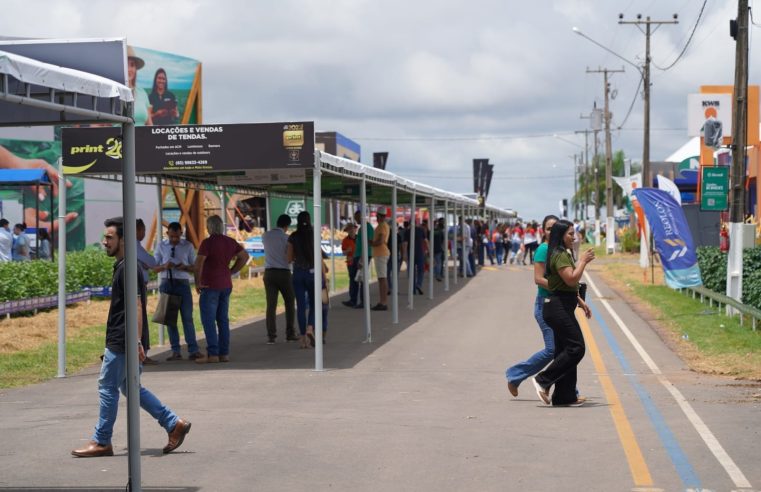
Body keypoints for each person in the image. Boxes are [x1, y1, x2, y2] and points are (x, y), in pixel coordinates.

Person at [71, 217, 190, 458]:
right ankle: (173, 423)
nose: (105, 242)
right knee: (130, 387)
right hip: (126, 338)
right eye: (105, 237)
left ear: (124, 240)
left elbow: (135, 304)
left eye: (109, 237)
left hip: (124, 339)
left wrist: (135, 342)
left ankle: (102, 441)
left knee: (107, 386)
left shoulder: (128, 267)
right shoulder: (126, 265)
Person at [532, 220, 595, 407]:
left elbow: (564, 286)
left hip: (561, 305)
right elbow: (570, 279)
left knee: (565, 350)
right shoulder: (559, 255)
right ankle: (543, 380)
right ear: (561, 236)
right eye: (570, 234)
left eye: (573, 233)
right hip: (557, 307)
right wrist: (583, 261)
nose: (573, 237)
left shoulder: (562, 253)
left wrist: (579, 300)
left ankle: (564, 396)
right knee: (577, 348)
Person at [506, 215, 559, 396]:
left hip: (558, 305)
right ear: (543, 231)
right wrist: (561, 286)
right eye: (549, 228)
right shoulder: (543, 249)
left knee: (565, 349)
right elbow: (538, 279)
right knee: (553, 349)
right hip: (545, 305)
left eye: (555, 227)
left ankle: (568, 391)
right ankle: (515, 375)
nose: (552, 231)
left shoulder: (558, 250)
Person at [193, 215, 248, 363]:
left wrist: (197, 282)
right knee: (223, 320)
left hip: (209, 285)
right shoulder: (230, 241)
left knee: (209, 320)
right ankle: (224, 353)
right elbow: (244, 256)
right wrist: (231, 271)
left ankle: (212, 354)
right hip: (226, 284)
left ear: (209, 227)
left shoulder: (207, 243)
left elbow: (199, 263)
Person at [154, 222, 201, 361]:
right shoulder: (161, 246)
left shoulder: (188, 246)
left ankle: (193, 350)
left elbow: (195, 267)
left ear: (181, 233)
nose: (174, 239)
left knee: (187, 318)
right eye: (172, 236)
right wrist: (164, 266)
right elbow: (154, 267)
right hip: (167, 283)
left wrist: (185, 267)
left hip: (182, 284)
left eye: (177, 236)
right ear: (167, 234)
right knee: (169, 320)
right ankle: (175, 351)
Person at [262, 214, 298, 344]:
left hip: (269, 273)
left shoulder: (265, 236)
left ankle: (271, 336)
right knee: (289, 302)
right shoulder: (287, 238)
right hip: (284, 272)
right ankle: (290, 333)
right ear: (286, 226)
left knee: (271, 306)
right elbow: (290, 256)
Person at [288, 211, 319, 349]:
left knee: (300, 306)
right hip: (312, 273)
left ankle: (303, 339)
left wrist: (295, 257)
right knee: (314, 304)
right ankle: (310, 328)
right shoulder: (314, 235)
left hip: (298, 273)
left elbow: (288, 258)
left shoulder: (293, 237)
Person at [135, 219, 158, 364]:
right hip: (138, 285)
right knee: (140, 319)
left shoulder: (130, 246)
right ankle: (142, 353)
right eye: (142, 230)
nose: (144, 233)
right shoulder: (135, 246)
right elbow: (152, 262)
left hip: (137, 283)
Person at [352, 209, 374, 309]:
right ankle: (361, 300)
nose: (355, 220)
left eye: (356, 217)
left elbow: (367, 243)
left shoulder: (366, 227)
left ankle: (364, 301)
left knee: (362, 279)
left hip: (363, 256)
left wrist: (362, 259)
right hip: (361, 255)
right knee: (360, 278)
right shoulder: (363, 228)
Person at [370, 206, 390, 311]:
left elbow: (381, 240)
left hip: (381, 253)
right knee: (382, 278)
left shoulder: (382, 226)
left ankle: (383, 302)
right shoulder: (384, 225)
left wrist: (372, 243)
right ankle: (382, 301)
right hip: (381, 253)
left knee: (382, 279)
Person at [127, 46, 153, 126]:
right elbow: (97, 125)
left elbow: (149, 124)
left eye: (132, 65)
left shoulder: (142, 93)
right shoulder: (112, 93)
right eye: (125, 64)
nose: (129, 69)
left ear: (135, 69)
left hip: (144, 138)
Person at [341, 223, 359, 308]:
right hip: (351, 262)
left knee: (360, 280)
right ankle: (353, 300)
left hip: (359, 261)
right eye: (350, 229)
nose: (352, 230)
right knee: (352, 280)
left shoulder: (359, 238)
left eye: (353, 229)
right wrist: (347, 251)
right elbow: (343, 252)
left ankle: (361, 300)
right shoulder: (345, 240)